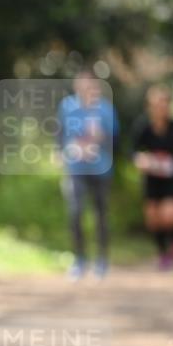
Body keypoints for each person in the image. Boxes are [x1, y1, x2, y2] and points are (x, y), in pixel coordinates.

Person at [58, 69, 119, 280]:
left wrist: (100, 137)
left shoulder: (105, 109)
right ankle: (79, 260)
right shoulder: (67, 106)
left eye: (88, 84)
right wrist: (62, 153)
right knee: (75, 212)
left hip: (101, 169)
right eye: (80, 83)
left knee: (100, 214)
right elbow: (60, 134)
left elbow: (115, 140)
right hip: (75, 169)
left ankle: (102, 260)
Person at [132, 84, 173, 270]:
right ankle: (163, 253)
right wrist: (140, 159)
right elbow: (134, 151)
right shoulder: (143, 128)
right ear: (150, 106)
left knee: (170, 215)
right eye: (157, 103)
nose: (161, 107)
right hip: (152, 181)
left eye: (164, 103)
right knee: (153, 218)